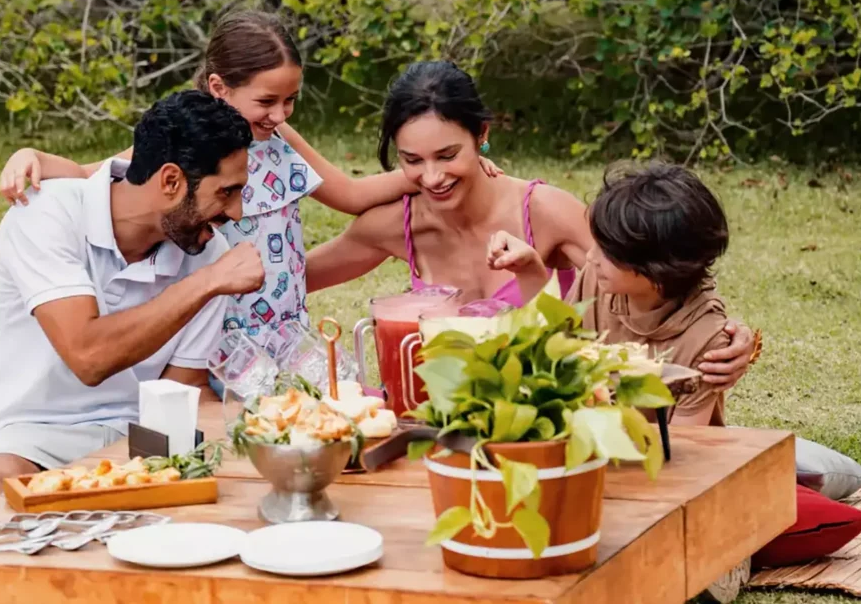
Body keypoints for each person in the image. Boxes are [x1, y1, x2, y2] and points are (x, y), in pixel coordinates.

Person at [0, 11, 502, 383]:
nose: (280, 114)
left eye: (290, 100)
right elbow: (99, 175)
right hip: (217, 333)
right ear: (219, 87)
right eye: (266, 101)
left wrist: (433, 170)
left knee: (330, 414)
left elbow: (349, 193)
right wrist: (32, 156)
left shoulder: (280, 142)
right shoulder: (187, 147)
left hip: (285, 327)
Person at [306, 60, 757, 387]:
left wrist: (729, 332)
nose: (432, 177)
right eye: (412, 161)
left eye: (447, 155)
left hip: (543, 420)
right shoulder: (393, 225)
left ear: (482, 135)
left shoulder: (543, 211)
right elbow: (291, 280)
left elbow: (656, 267)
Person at [0, 90, 265, 508]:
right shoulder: (46, 213)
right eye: (226, 192)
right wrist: (205, 283)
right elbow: (88, 356)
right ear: (171, 181)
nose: (238, 212)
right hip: (22, 433)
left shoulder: (208, 253)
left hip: (134, 437)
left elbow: (177, 391)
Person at [498, 162, 735, 425]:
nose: (590, 256)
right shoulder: (597, 280)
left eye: (608, 251)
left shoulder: (706, 341)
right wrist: (530, 271)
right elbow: (554, 351)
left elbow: (686, 445)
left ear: (657, 269)